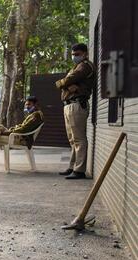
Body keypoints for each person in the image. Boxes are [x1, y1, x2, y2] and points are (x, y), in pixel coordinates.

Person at [55, 43, 95, 180]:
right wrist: (66, 84)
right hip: (69, 105)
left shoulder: (85, 66)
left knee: (79, 139)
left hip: (77, 104)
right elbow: (67, 83)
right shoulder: (77, 66)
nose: (74, 57)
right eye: (73, 54)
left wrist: (63, 83)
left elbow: (68, 80)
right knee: (73, 140)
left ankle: (79, 170)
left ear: (85, 54)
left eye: (77, 54)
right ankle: (72, 167)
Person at [0, 96, 44, 172]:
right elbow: (23, 127)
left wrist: (8, 132)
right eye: (26, 105)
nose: (27, 107)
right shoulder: (32, 114)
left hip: (22, 139)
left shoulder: (36, 115)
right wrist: (11, 130)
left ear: (35, 105)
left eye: (29, 105)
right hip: (18, 135)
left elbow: (23, 129)